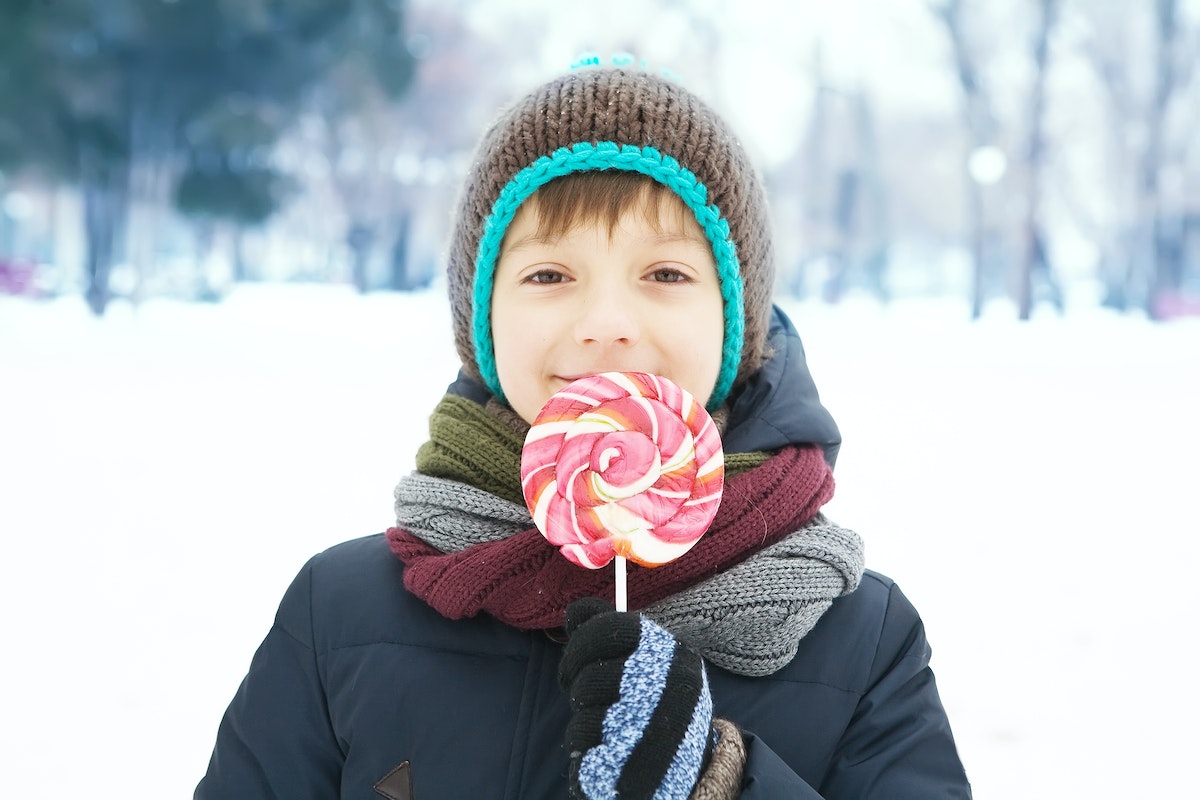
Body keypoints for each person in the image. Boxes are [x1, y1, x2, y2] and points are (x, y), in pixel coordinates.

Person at [195, 65, 972, 799]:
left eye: (665, 274)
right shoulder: (340, 614)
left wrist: (721, 782)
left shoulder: (863, 637)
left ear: (736, 322)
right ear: (484, 321)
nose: (605, 325)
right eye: (549, 276)